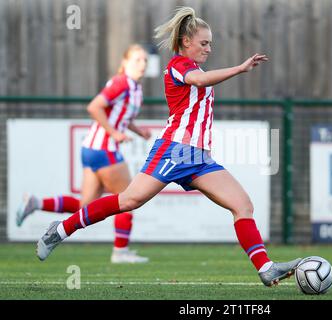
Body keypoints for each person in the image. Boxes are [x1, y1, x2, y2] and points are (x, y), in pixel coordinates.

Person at [36, 7, 302, 286]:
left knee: (243, 205)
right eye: (204, 42)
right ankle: (61, 230)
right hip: (174, 151)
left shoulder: (195, 68)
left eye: (210, 43)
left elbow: (200, 86)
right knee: (128, 200)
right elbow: (198, 81)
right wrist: (239, 68)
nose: (209, 48)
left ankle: (265, 268)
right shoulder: (179, 65)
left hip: (199, 159)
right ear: (186, 42)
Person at [18, 44, 151, 263]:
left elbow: (121, 116)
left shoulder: (135, 88)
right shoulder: (121, 83)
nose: (142, 64)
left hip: (92, 149)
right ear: (125, 62)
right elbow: (94, 107)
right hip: (103, 148)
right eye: (137, 60)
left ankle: (36, 203)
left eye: (145, 60)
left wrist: (137, 131)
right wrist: (114, 133)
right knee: (129, 197)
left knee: (84, 207)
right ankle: (120, 252)